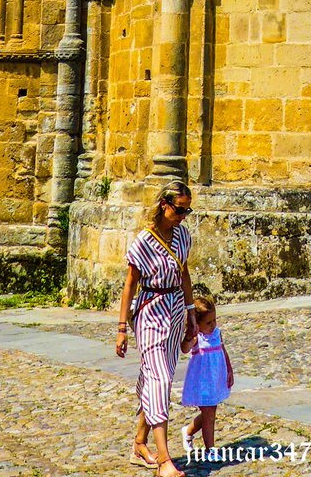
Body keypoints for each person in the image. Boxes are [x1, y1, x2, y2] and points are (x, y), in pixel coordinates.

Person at [116, 181, 196, 477]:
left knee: (155, 378)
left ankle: (139, 443)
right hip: (150, 311)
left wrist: (191, 315)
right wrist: (122, 328)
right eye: (179, 209)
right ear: (164, 205)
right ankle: (164, 460)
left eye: (187, 210)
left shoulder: (183, 236)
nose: (183, 215)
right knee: (160, 380)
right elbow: (130, 285)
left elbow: (185, 273)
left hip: (175, 309)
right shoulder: (144, 242)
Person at [180, 294, 234, 456]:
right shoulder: (197, 338)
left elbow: (223, 351)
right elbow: (185, 348)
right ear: (197, 323)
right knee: (209, 414)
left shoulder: (217, 333)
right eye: (208, 322)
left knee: (210, 412)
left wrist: (229, 370)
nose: (212, 325)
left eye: (214, 320)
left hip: (215, 378)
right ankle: (210, 449)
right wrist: (190, 334)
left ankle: (188, 431)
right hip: (202, 381)